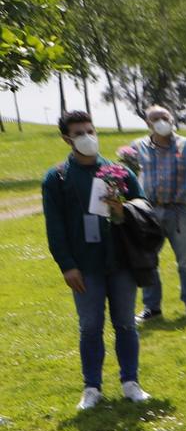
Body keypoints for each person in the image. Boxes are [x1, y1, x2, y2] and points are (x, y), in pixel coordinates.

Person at [43, 111, 152, 408]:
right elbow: (55, 227)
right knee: (90, 326)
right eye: (79, 134)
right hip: (84, 266)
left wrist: (122, 210)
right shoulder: (57, 178)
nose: (87, 137)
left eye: (90, 131)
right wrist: (67, 265)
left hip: (121, 262)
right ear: (67, 139)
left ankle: (131, 382)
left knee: (126, 323)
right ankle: (92, 388)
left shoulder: (120, 172)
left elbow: (144, 210)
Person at [117, 104, 186, 323]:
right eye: (155, 119)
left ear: (172, 119)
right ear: (148, 124)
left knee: (185, 262)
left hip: (179, 211)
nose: (161, 121)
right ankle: (151, 307)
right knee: (148, 260)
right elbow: (125, 176)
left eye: (165, 117)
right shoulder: (138, 147)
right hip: (147, 211)